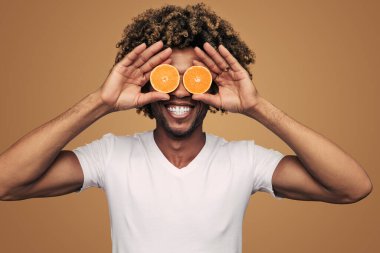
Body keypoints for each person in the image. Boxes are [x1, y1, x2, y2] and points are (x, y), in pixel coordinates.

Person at [0, 3, 372, 253]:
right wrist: (101, 101)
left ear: (212, 83)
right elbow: (6, 183)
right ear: (147, 84)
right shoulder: (111, 154)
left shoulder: (243, 160)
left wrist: (258, 108)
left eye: (194, 78)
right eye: (167, 78)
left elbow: (353, 188)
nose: (180, 91)